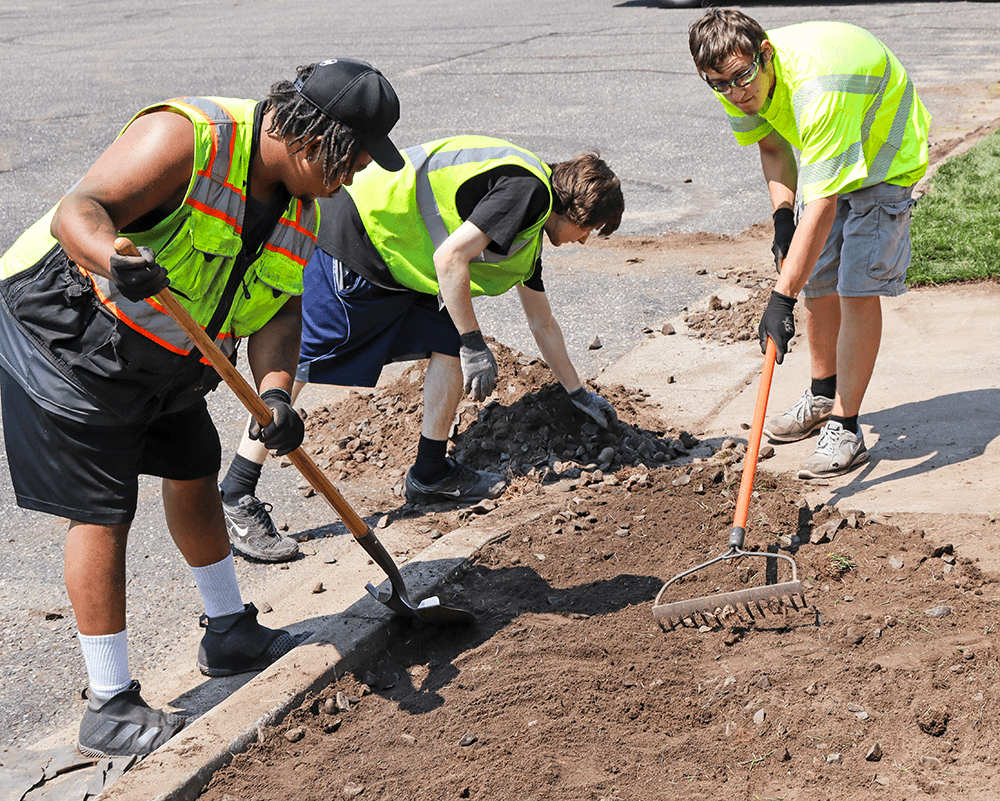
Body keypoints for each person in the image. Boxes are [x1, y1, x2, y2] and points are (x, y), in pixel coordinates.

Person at [0, 58, 402, 758]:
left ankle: (229, 632)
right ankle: (109, 703)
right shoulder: (194, 138)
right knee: (102, 505)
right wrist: (112, 256)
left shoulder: (303, 207)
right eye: (356, 155)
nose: (358, 171)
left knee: (194, 462)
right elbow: (80, 210)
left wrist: (274, 395)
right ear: (316, 138)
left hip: (168, 349)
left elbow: (277, 312)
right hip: (67, 326)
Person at [218, 135, 625, 559]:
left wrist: (578, 393)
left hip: (394, 261)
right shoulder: (527, 193)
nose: (584, 240)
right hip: (356, 240)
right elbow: (450, 258)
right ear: (576, 209)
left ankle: (430, 474)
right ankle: (236, 491)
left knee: (446, 339)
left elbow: (542, 323)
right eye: (590, 228)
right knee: (298, 364)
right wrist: (474, 343)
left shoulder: (527, 222)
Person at [688, 9, 930, 479]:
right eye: (720, 84)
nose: (736, 94)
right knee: (818, 275)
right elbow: (774, 147)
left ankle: (846, 427)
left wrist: (781, 298)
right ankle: (822, 394)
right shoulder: (731, 78)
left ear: (766, 54)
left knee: (857, 284)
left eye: (742, 78)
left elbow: (821, 204)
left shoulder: (818, 88)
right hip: (832, 152)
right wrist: (782, 218)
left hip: (885, 155)